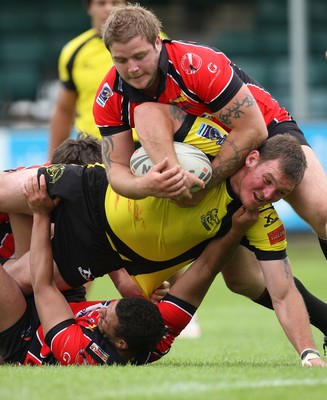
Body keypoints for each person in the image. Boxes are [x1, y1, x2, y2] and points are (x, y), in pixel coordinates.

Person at [4, 134, 327, 347]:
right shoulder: (37, 188)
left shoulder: (254, 215)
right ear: (253, 158)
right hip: (86, 196)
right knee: (28, 269)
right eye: (269, 182)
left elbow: (277, 290)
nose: (269, 195)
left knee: (28, 280)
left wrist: (308, 353)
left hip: (94, 244)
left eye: (280, 194)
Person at [93, 3, 327, 261]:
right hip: (204, 152)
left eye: (139, 56)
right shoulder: (110, 97)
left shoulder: (196, 64)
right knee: (243, 280)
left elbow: (253, 129)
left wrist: (204, 185)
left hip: (267, 129)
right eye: (121, 60)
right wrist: (144, 185)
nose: (132, 68)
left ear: (158, 43)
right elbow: (116, 169)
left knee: (323, 213)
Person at [49, 0, 168, 157]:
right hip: (94, 147)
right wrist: (53, 161)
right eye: (101, 3)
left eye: (116, 2)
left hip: (148, 143)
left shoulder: (155, 41)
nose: (109, 8)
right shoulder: (73, 51)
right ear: (89, 8)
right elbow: (65, 110)